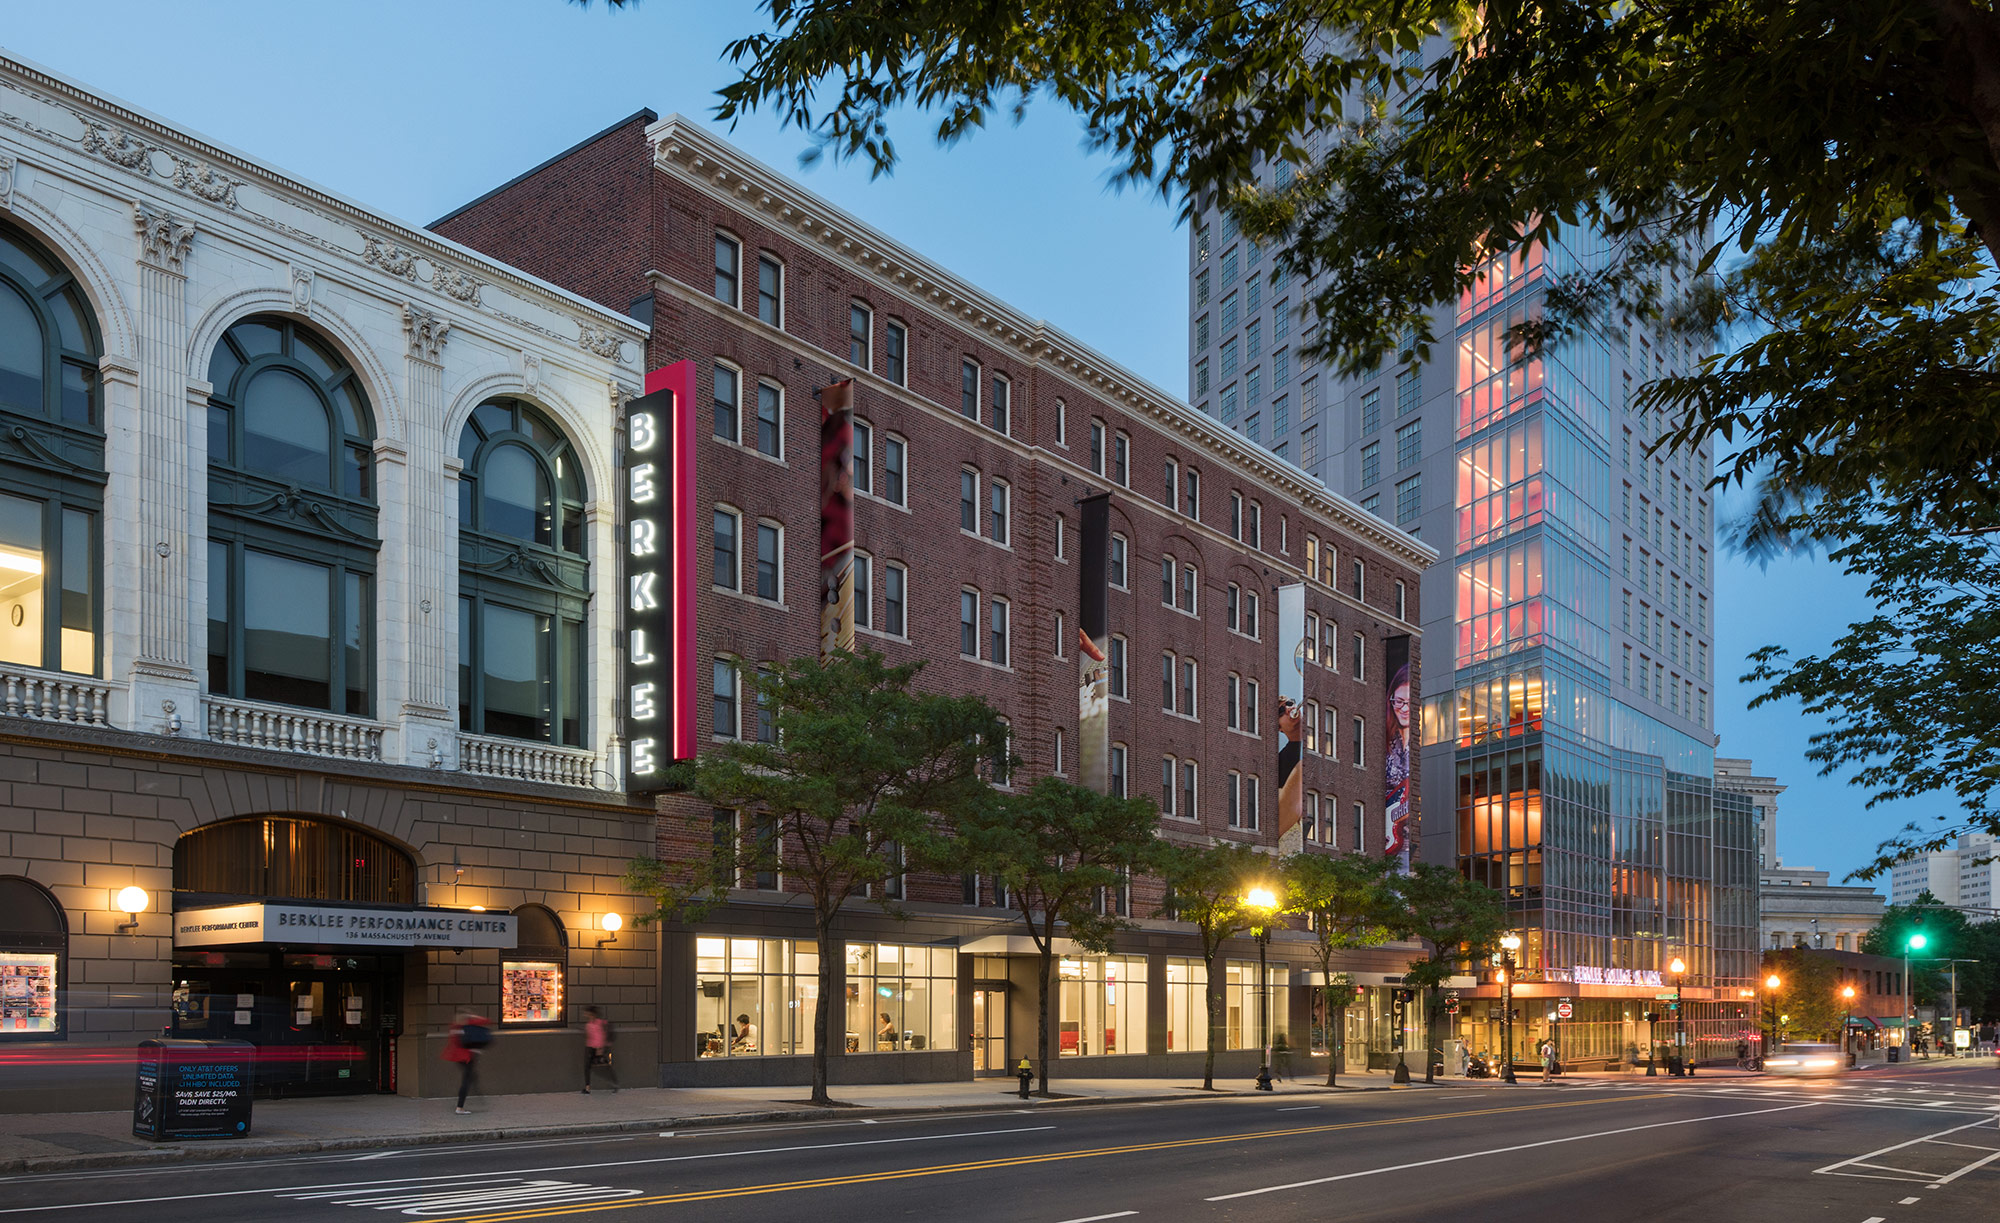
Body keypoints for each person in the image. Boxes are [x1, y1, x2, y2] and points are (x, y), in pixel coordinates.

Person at [445, 1011, 491, 1115]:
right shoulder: (468, 1026)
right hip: (467, 1058)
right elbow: (487, 1021)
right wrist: (473, 1016)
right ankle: (460, 1107)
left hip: (458, 1058)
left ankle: (475, 1092)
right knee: (467, 1080)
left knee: (471, 1077)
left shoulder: (454, 1027)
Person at [583, 1005, 618, 1093]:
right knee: (587, 1066)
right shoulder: (588, 1024)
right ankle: (587, 1087)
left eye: (587, 1013)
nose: (585, 1014)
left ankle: (614, 1083)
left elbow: (602, 1035)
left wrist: (601, 1048)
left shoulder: (600, 1023)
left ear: (592, 1013)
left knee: (605, 1067)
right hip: (590, 1047)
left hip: (599, 1048)